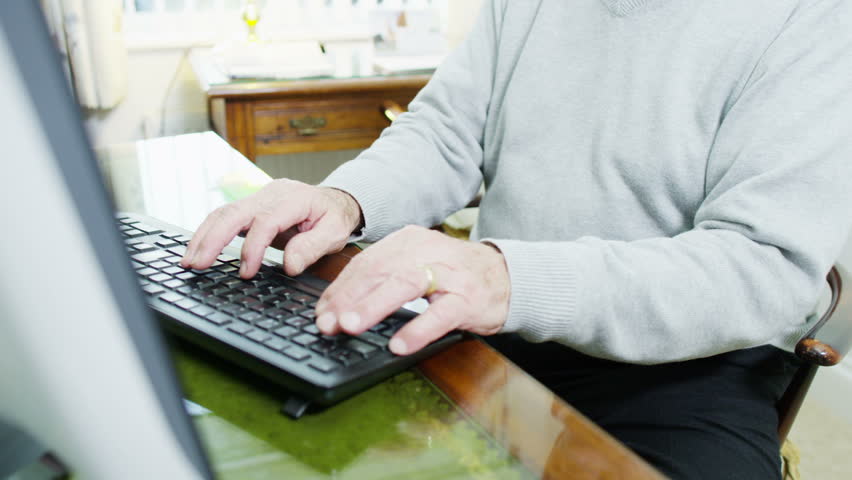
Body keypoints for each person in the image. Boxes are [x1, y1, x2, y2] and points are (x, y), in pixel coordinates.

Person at [182, 0, 852, 477]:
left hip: (685, 371)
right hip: (491, 329)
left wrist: (504, 276)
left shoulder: (814, 20)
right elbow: (446, 132)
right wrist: (343, 199)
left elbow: (760, 267)